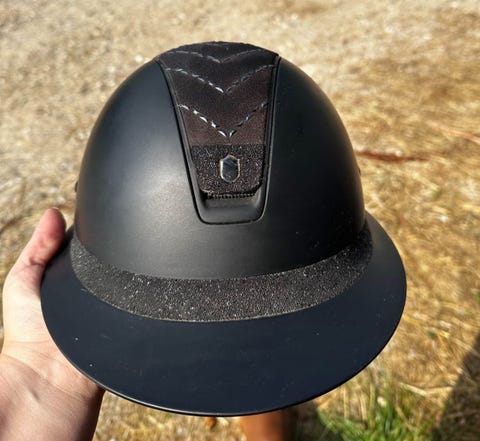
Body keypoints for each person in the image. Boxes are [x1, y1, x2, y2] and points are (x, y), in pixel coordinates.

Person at [0, 207, 293, 441]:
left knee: (258, 353)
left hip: (276, 275)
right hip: (145, 253)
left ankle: (255, 406)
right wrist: (35, 380)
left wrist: (36, 379)